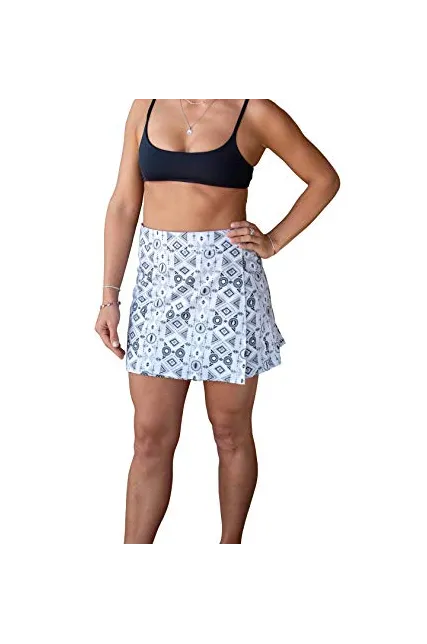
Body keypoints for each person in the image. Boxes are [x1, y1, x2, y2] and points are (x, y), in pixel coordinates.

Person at [95, 97, 340, 544]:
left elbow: (323, 179)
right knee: (149, 438)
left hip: (228, 288)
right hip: (159, 291)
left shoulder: (255, 111)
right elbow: (125, 203)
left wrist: (273, 241)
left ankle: (230, 550)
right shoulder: (146, 105)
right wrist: (109, 296)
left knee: (229, 432)